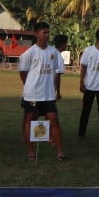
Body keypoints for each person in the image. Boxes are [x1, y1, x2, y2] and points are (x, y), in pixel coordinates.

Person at [18, 22, 66, 161]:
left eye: (48, 32)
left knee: (54, 121)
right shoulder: (29, 53)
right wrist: (30, 86)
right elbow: (23, 73)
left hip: (48, 95)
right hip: (32, 94)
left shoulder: (54, 52)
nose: (47, 35)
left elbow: (57, 72)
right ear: (36, 34)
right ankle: (31, 150)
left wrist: (56, 90)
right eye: (44, 32)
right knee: (30, 121)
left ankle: (60, 151)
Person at [78, 28, 99, 139]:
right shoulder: (88, 50)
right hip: (89, 86)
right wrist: (81, 82)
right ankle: (81, 134)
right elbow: (83, 67)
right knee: (85, 111)